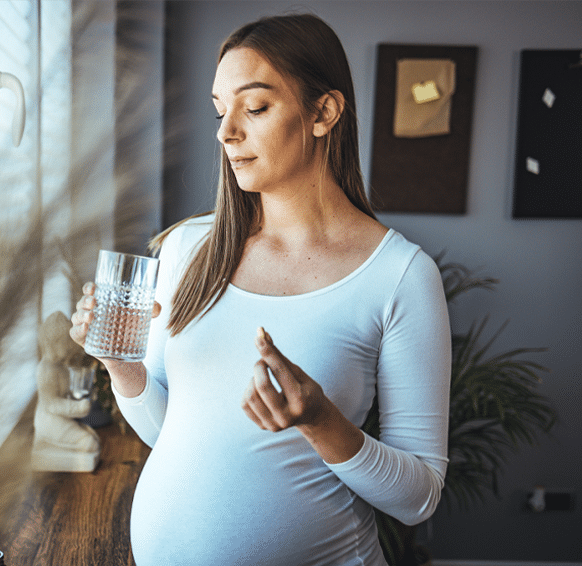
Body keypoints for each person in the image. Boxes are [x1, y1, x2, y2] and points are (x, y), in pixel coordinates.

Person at [70, 13, 450, 566]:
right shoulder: (187, 249)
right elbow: (168, 435)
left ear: (323, 112)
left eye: (255, 107)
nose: (226, 132)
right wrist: (121, 367)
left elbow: (419, 498)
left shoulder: (400, 276)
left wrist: (321, 423)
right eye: (221, 109)